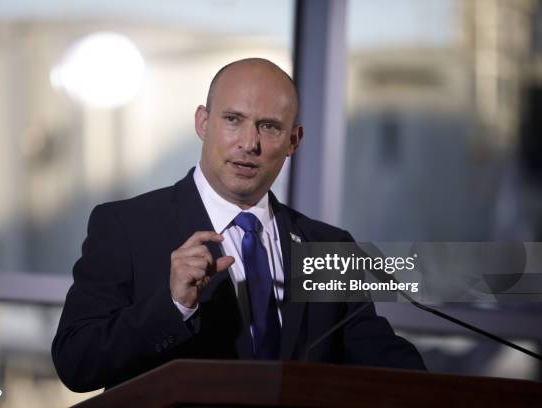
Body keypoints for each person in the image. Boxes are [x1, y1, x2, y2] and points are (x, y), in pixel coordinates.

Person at [52, 58, 426, 392]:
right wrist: (173, 304)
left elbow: (388, 366)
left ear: (294, 140)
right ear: (202, 122)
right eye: (233, 120)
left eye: (269, 127)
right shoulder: (126, 227)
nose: (249, 143)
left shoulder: (327, 246)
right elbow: (76, 362)